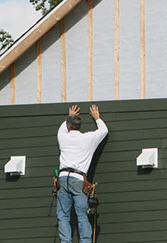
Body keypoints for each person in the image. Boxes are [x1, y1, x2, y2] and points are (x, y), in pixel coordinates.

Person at [56, 104, 108, 243]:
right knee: (82, 215)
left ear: (68, 126)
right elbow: (103, 130)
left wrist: (71, 115)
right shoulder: (88, 139)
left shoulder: (63, 137)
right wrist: (97, 118)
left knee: (63, 216)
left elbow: (62, 128)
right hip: (78, 179)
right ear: (79, 127)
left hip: (62, 178)